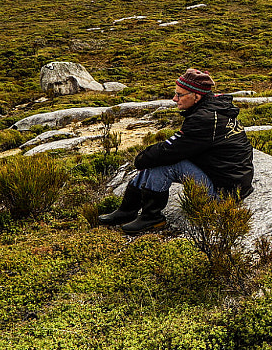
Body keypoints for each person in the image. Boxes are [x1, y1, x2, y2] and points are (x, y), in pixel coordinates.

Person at [97, 67, 254, 234]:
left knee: (165, 164)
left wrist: (142, 159)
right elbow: (180, 145)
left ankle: (152, 217)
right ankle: (127, 210)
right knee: (157, 159)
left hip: (225, 193)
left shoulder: (204, 119)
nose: (174, 99)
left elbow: (170, 151)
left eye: (180, 95)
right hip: (228, 180)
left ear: (197, 96)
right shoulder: (213, 111)